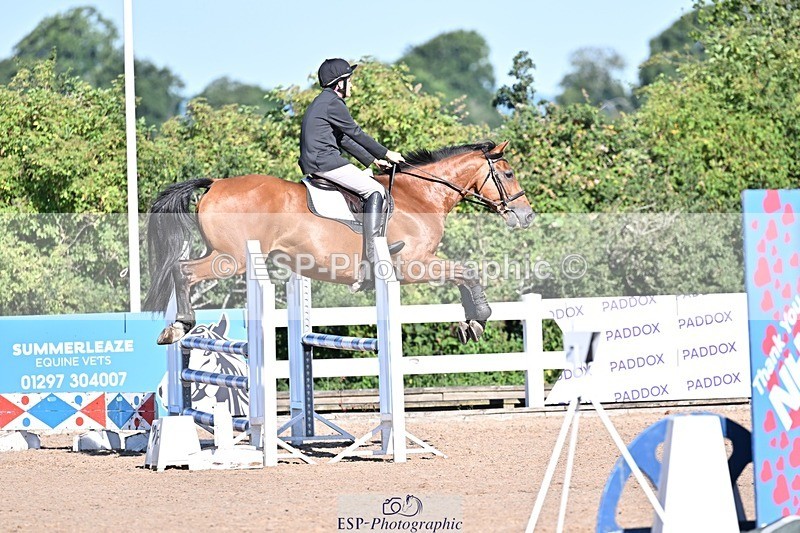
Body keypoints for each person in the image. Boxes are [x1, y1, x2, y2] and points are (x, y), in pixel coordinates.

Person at [298, 58, 405, 290]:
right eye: (350, 80)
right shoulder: (333, 103)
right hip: (325, 162)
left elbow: (344, 139)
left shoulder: (323, 102)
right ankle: (374, 256)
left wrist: (372, 160)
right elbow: (356, 132)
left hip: (317, 161)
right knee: (376, 190)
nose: (352, 85)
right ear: (340, 83)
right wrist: (387, 153)